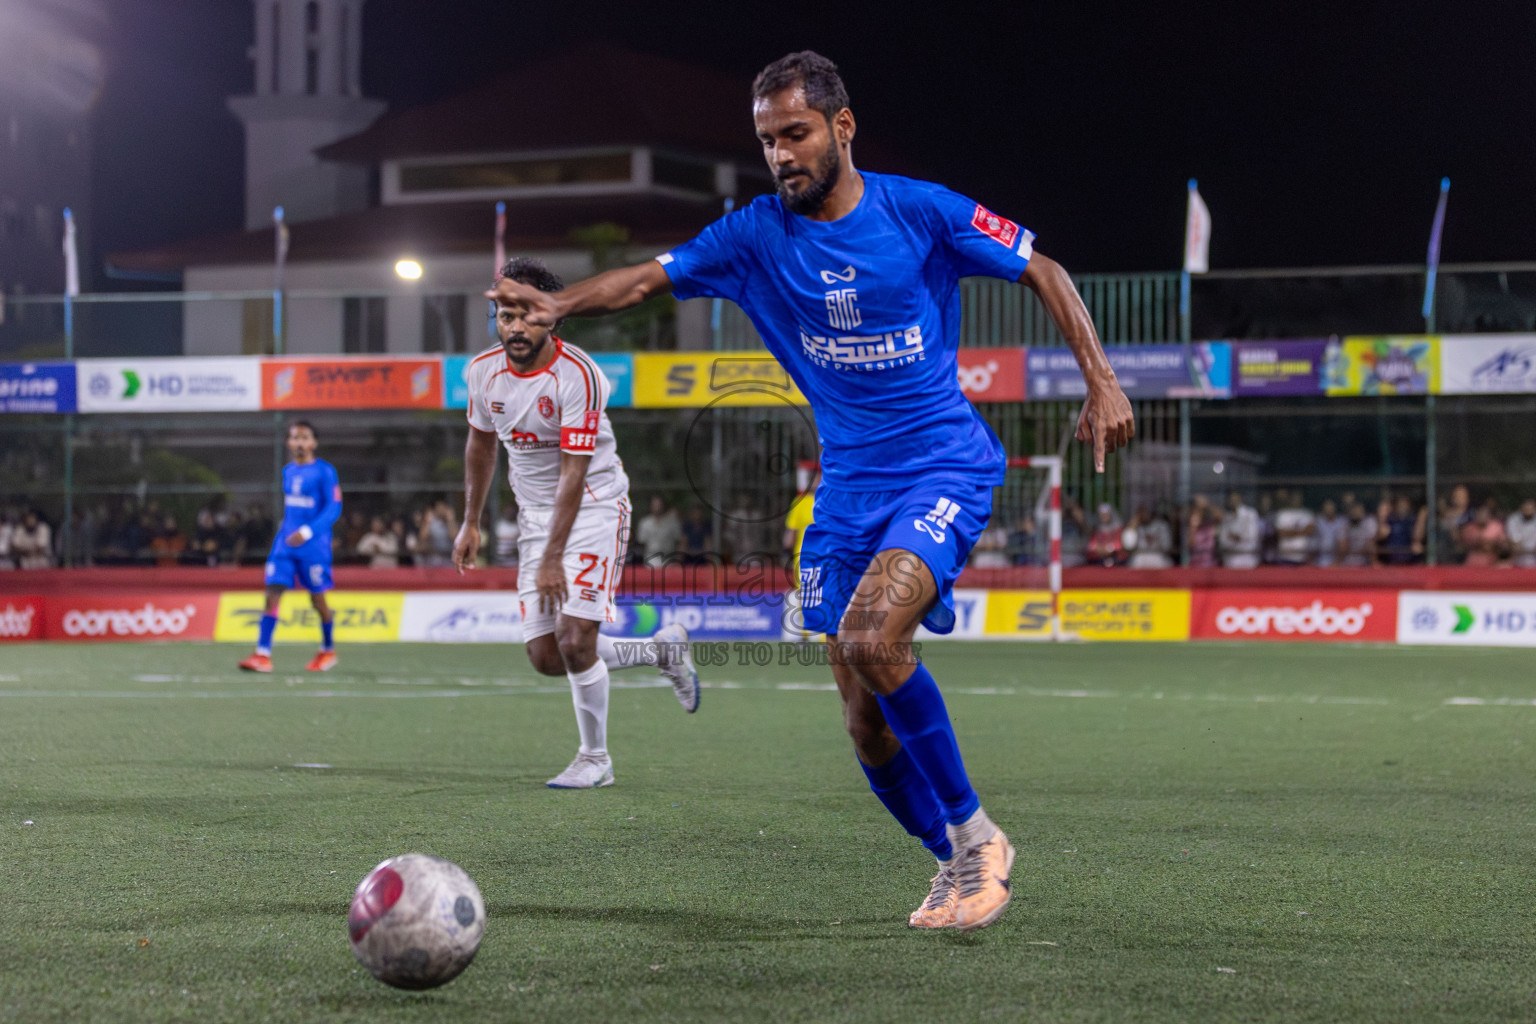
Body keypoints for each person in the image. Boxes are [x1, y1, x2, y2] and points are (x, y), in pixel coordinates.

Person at [485, 52, 1135, 932]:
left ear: (843, 126)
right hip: (846, 494)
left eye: (795, 134)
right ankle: (948, 862)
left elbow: (1045, 270)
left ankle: (980, 836)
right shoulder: (754, 235)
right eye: (766, 141)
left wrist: (1100, 379)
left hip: (941, 466)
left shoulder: (922, 211)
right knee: (863, 722)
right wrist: (561, 308)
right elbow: (642, 279)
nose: (781, 155)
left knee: (875, 636)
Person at [454, 257, 701, 790]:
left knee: (574, 637)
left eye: (526, 315)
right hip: (535, 517)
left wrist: (549, 559)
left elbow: (573, 472)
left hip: (593, 508)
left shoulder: (579, 376)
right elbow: (479, 443)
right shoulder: (480, 372)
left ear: (552, 317)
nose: (514, 327)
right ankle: (662, 650)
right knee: (547, 657)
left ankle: (596, 759)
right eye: (504, 316)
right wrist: (471, 521)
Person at [239, 421, 341, 673]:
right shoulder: (288, 472)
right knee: (271, 593)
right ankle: (263, 654)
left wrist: (307, 532)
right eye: (294, 437)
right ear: (288, 443)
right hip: (284, 546)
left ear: (314, 443)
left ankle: (328, 650)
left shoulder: (325, 472)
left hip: (313, 548)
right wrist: (287, 532)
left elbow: (333, 508)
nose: (299, 442)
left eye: (305, 437)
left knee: (317, 600)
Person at [1218, 490, 1261, 569]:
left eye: (1236, 499)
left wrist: (1236, 537)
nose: (1233, 502)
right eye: (1231, 500)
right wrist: (1237, 537)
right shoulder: (1226, 517)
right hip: (1230, 558)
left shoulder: (1250, 513)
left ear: (1241, 499)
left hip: (1247, 557)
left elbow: (1251, 535)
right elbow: (1223, 540)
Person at [635, 496, 682, 567]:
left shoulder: (672, 522)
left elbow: (680, 541)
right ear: (651, 506)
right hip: (651, 559)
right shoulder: (644, 523)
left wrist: (678, 559)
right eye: (654, 505)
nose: (657, 507)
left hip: (668, 558)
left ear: (663, 505)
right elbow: (641, 542)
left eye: (659, 504)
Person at [1273, 491, 1316, 566]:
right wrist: (1302, 531)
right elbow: (1281, 533)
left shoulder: (1306, 513)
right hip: (1285, 556)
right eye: (1294, 498)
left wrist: (1290, 532)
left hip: (1302, 556)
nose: (1296, 500)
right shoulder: (1283, 514)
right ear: (1290, 499)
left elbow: (1310, 531)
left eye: (1298, 498)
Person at [1340, 501, 1378, 567]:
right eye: (1354, 511)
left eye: (1359, 511)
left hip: (1364, 562)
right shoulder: (1344, 525)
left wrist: (1373, 561)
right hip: (1348, 562)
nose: (1356, 513)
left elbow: (1370, 545)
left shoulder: (1368, 523)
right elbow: (1343, 547)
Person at [1313, 498, 1347, 567]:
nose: (1328, 510)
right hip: (1319, 561)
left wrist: (1337, 562)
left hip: (1336, 562)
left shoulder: (1341, 522)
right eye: (1326, 508)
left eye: (1330, 507)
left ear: (1334, 508)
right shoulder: (1318, 521)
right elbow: (1313, 542)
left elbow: (1343, 544)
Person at [1507, 499, 1536, 569]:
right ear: (1521, 508)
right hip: (1517, 562)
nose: (1528, 510)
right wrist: (1530, 550)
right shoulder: (1513, 520)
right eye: (1526, 508)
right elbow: (1514, 544)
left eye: (1530, 509)